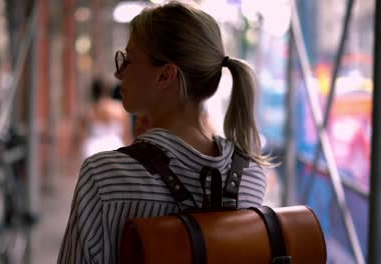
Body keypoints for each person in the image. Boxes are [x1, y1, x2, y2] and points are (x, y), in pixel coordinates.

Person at [58, 2, 270, 263]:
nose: (118, 72)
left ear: (165, 75)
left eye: (128, 60)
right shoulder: (251, 175)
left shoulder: (103, 176)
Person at [80, 78, 132, 159]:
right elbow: (126, 135)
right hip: (115, 147)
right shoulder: (119, 109)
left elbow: (81, 136)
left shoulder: (89, 111)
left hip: (93, 149)